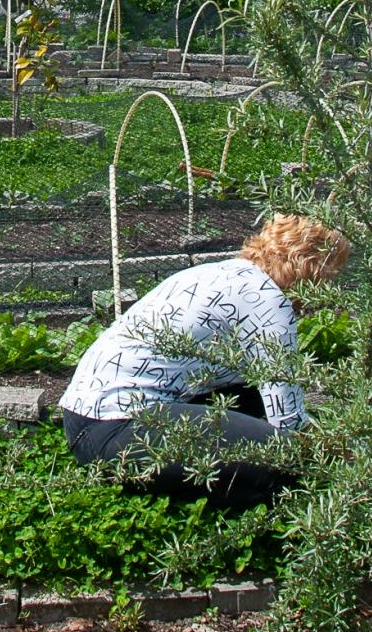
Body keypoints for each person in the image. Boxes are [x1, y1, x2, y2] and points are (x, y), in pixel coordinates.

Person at [59, 214, 351, 502]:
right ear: (311, 269)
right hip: (118, 431)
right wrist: (344, 457)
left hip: (83, 417)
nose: (330, 288)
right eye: (332, 275)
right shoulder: (269, 303)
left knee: (251, 399)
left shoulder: (222, 272)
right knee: (289, 460)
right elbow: (288, 424)